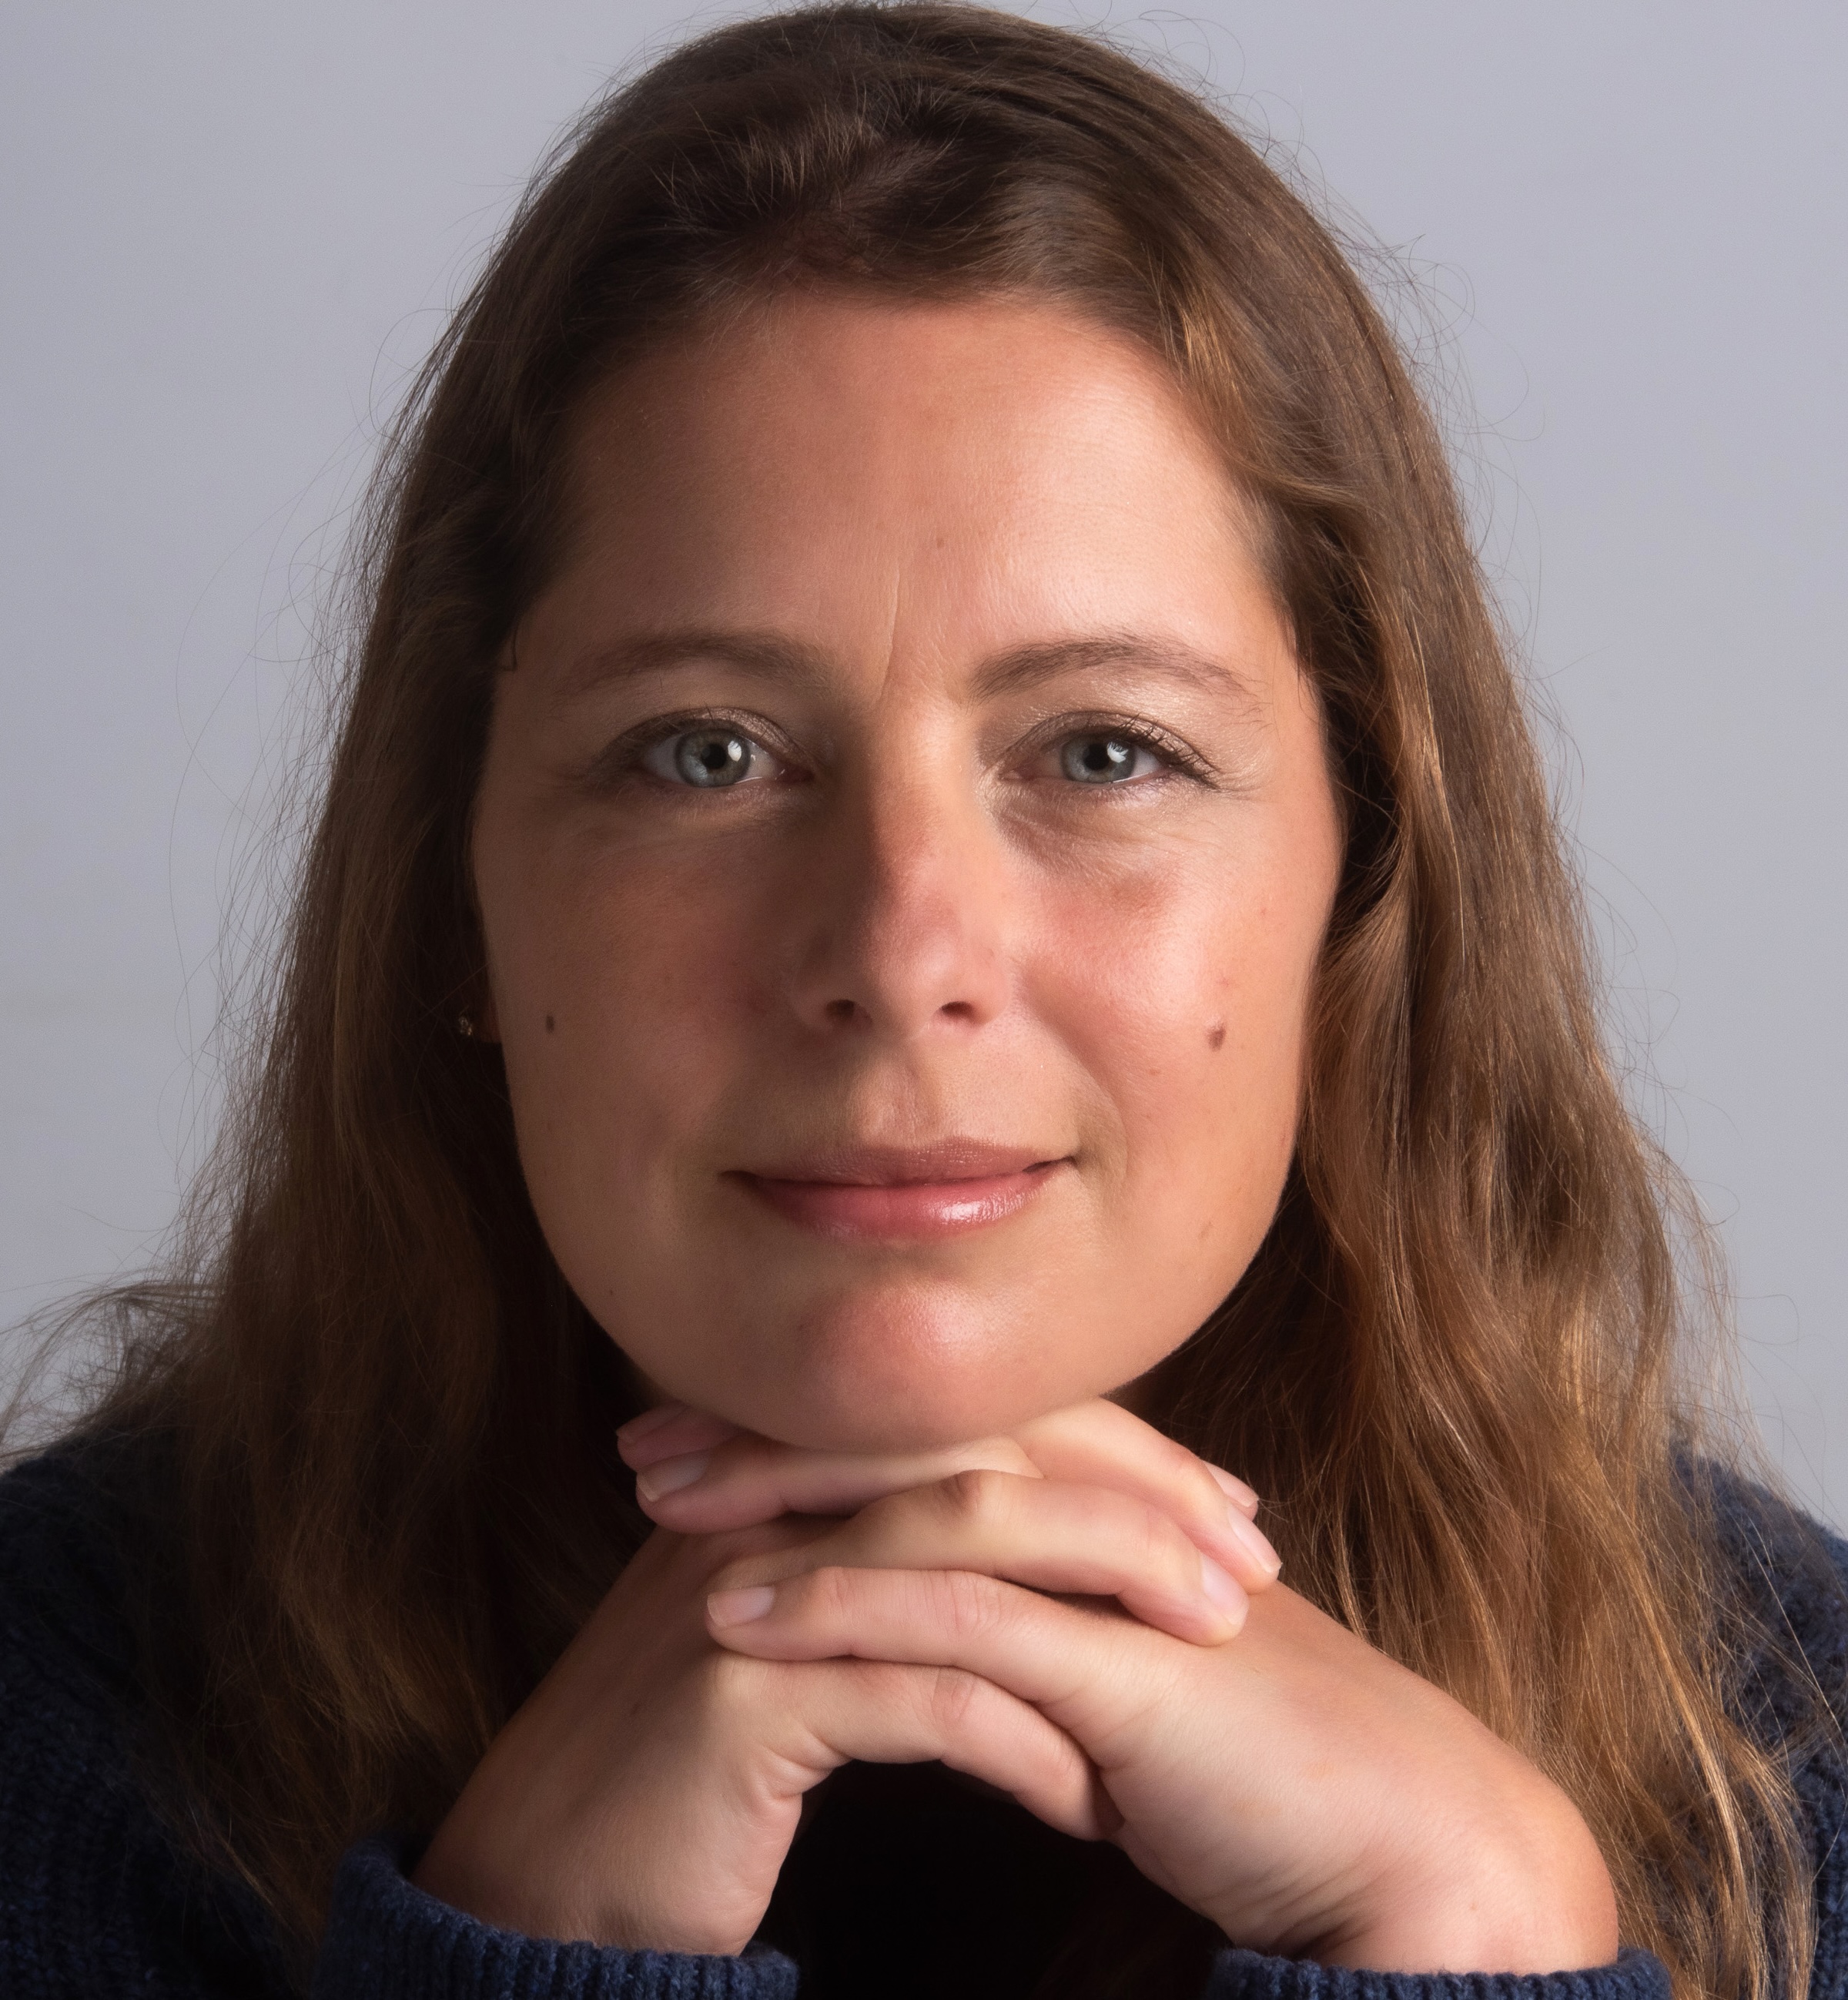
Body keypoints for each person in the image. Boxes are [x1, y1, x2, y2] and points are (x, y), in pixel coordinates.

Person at [2, 6, 1843, 1998]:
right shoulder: (51, 1727)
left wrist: (1478, 1944)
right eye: (705, 753)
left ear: (1364, 879)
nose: (900, 957)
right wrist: (539, 1954)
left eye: (1105, 754)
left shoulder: (1788, 1735)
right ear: (456, 890)